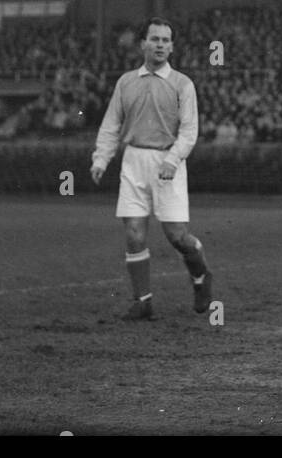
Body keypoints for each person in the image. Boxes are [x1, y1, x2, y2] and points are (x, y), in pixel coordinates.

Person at [90, 18, 213, 320]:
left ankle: (201, 276)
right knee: (133, 234)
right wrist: (100, 159)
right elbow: (111, 124)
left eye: (165, 40)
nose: (160, 45)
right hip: (133, 161)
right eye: (154, 39)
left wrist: (172, 160)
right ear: (142, 43)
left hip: (168, 162)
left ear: (171, 47)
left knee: (177, 237)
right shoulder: (126, 82)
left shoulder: (183, 84)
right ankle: (142, 301)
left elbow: (189, 130)